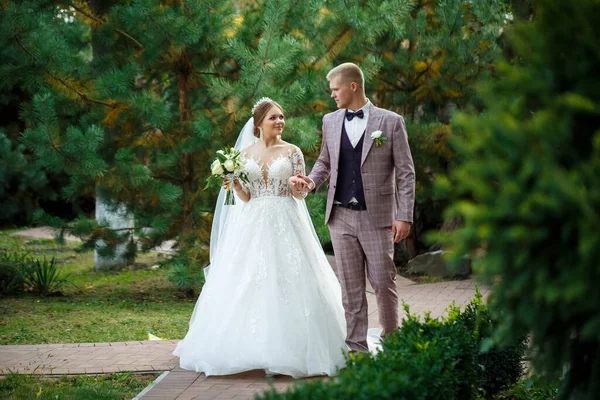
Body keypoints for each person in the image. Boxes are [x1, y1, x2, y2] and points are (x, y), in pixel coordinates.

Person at [173, 98, 347, 378]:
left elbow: (300, 194)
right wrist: (233, 182)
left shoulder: (293, 152)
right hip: (252, 222)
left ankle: (295, 349)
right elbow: (245, 197)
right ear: (258, 124)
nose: (280, 121)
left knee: (290, 277)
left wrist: (298, 186)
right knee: (247, 279)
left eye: (281, 116)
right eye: (273, 118)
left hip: (286, 218)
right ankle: (246, 349)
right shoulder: (243, 154)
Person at [295, 63, 416, 353]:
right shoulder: (330, 121)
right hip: (340, 217)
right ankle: (356, 349)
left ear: (352, 86)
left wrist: (403, 215)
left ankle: (392, 343)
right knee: (350, 287)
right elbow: (325, 161)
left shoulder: (390, 121)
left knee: (383, 283)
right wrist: (312, 182)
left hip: (378, 218)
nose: (332, 95)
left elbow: (406, 172)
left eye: (335, 89)